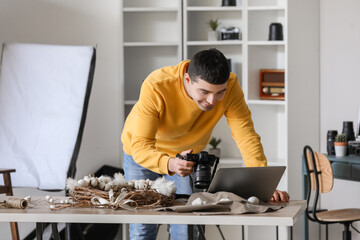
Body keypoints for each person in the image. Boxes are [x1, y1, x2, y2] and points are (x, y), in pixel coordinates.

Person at [121, 48, 290, 240]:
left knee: (187, 228)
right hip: (142, 155)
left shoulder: (231, 86)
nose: (212, 101)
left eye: (219, 93)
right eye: (204, 91)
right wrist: (169, 163)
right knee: (143, 228)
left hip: (186, 157)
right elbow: (141, 145)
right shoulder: (157, 85)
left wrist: (261, 186)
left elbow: (246, 135)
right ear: (187, 81)